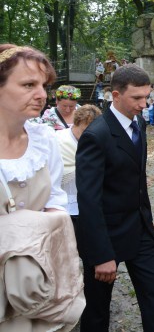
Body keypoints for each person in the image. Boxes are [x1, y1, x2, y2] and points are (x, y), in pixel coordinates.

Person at [76, 65, 154, 331]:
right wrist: (100, 255)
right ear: (115, 95)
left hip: (141, 230)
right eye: (137, 98)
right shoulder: (96, 136)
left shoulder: (139, 124)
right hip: (106, 236)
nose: (144, 104)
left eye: (147, 97)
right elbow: (88, 200)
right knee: (97, 310)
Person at [0, 44, 85, 331]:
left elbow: (56, 197)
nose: (41, 94)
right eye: (27, 84)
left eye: (43, 85)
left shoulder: (43, 139)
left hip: (32, 279)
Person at [55, 104, 102, 235]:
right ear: (76, 123)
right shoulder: (58, 140)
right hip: (64, 205)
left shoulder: (97, 141)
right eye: (84, 130)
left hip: (89, 204)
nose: (88, 135)